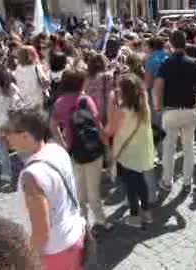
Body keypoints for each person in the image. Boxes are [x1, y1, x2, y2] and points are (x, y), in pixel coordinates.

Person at [2, 104, 86, 270]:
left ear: (25, 136)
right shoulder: (57, 149)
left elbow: (41, 233)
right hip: (75, 236)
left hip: (56, 252)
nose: (5, 136)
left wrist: (27, 261)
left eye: (9, 132)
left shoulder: (31, 176)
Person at [153, 30, 196, 193]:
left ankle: (167, 181)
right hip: (189, 110)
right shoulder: (194, 63)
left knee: (169, 149)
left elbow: (158, 87)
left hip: (170, 111)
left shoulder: (166, 63)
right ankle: (187, 183)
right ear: (185, 43)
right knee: (188, 148)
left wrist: (158, 106)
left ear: (171, 44)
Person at [51, 68, 110, 231]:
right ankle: (101, 220)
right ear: (80, 83)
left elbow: (53, 125)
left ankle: (83, 222)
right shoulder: (86, 100)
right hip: (93, 150)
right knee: (93, 190)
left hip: (73, 151)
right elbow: (98, 125)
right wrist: (107, 145)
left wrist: (63, 144)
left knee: (79, 189)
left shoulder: (60, 102)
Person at [105, 73, 156, 227]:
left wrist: (111, 105)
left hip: (126, 153)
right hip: (140, 151)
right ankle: (146, 212)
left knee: (130, 185)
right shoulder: (143, 104)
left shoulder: (121, 111)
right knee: (140, 181)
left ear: (124, 92)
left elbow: (109, 131)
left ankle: (134, 216)